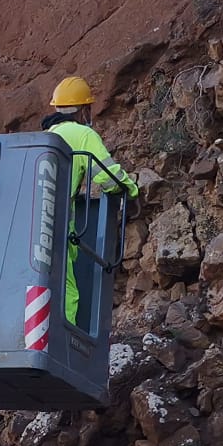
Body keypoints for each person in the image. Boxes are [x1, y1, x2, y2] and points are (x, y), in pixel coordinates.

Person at [42, 75, 139, 324]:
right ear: (84, 110)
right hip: (57, 226)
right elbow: (106, 175)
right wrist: (131, 191)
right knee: (68, 295)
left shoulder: (45, 136)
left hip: (36, 223)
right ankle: (63, 357)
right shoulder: (81, 134)